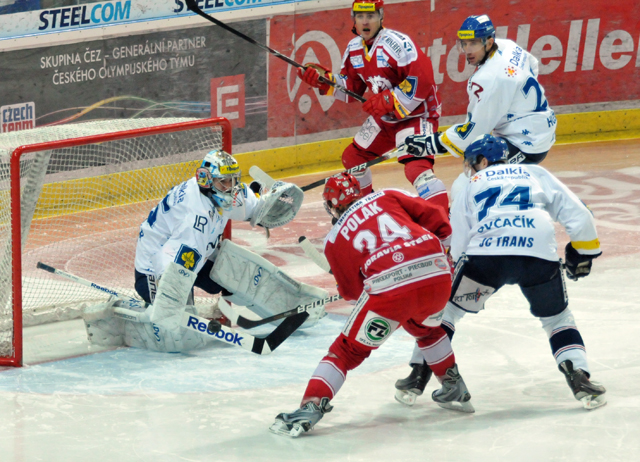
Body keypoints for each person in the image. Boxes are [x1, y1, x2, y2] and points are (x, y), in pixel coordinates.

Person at [397, 13, 559, 392]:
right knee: (470, 183)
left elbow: (473, 134)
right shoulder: (509, 48)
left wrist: (429, 142)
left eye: (472, 43)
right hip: (539, 131)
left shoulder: (489, 78)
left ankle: (454, 248)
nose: (466, 50)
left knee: (468, 185)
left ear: (488, 41)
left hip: (521, 144)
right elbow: (532, 66)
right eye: (462, 42)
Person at [403, 135, 607, 410]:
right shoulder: (535, 173)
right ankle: (580, 378)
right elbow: (580, 214)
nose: (470, 169)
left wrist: (454, 271)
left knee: (446, 312)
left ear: (483, 161)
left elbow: (458, 236)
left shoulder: (471, 184)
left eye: (472, 163)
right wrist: (583, 253)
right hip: (538, 257)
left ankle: (419, 375)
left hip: (487, 258)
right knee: (557, 318)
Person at [269, 173, 474, 438]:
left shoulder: (334, 238)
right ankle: (453, 385)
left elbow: (353, 294)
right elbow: (438, 218)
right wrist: (440, 252)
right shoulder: (388, 195)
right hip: (437, 275)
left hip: (391, 291)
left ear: (330, 205)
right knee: (427, 329)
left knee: (345, 351)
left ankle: (311, 406)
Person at [82, 150, 328, 352]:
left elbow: (256, 209)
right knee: (174, 337)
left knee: (236, 275)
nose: (231, 187)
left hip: (192, 258)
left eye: (233, 180)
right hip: (156, 269)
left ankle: (287, 306)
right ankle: (120, 315)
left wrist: (271, 203)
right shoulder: (195, 217)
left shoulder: (221, 193)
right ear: (205, 180)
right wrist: (171, 306)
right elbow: (177, 268)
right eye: (224, 182)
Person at [297, 0, 448, 210]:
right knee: (353, 158)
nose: (365, 22)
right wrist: (326, 81)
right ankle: (371, 210)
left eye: (370, 16)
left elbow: (423, 81)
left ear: (381, 16)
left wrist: (389, 100)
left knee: (416, 170)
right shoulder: (354, 48)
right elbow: (352, 89)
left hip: (416, 115)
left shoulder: (398, 44)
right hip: (387, 119)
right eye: (360, 16)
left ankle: (444, 219)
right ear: (354, 19)